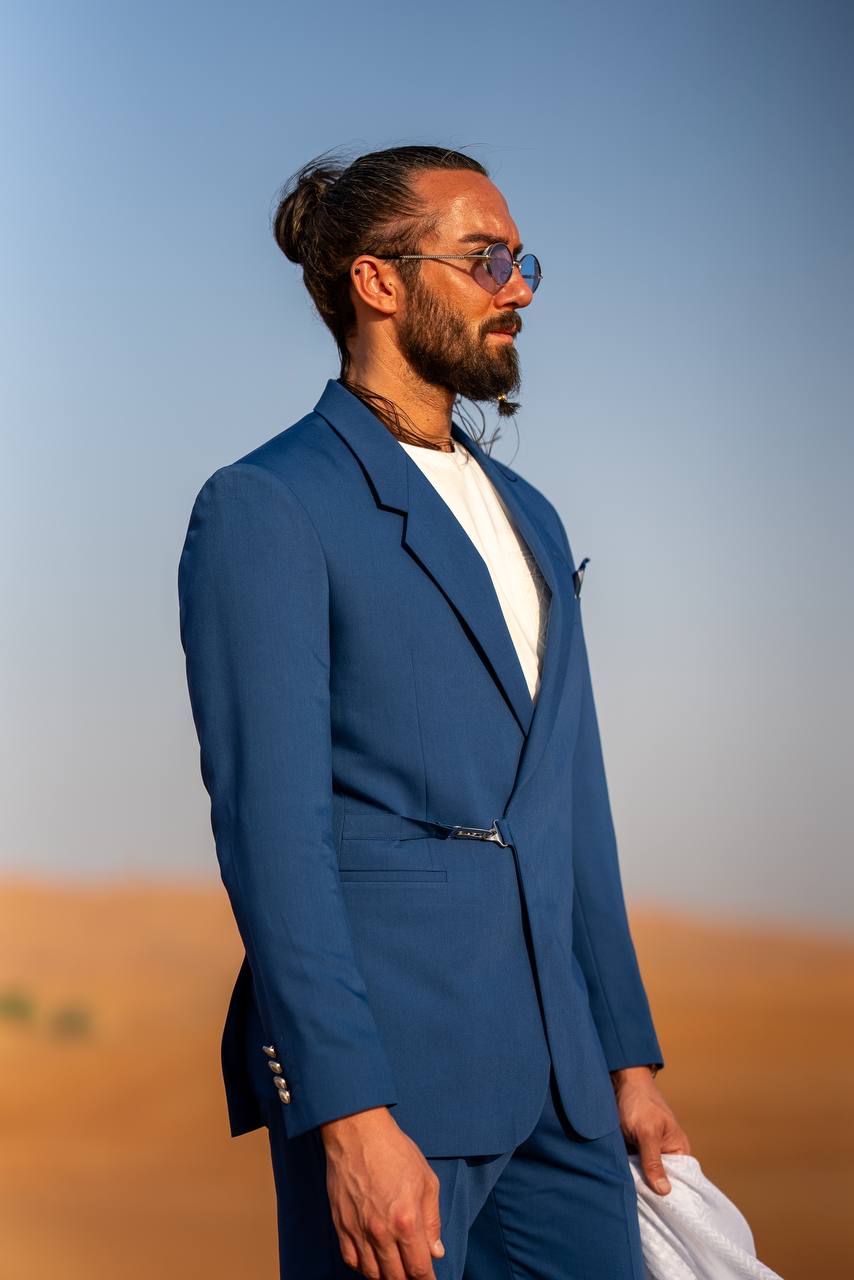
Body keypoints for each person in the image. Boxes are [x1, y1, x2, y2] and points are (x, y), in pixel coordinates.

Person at [178, 144, 691, 1280]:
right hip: (395, 1077)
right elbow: (271, 835)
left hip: (565, 1088)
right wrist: (348, 1108)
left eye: (519, 263)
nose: (515, 287)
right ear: (377, 281)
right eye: (484, 258)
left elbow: (571, 807)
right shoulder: (268, 503)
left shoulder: (533, 516)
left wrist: (626, 1058)